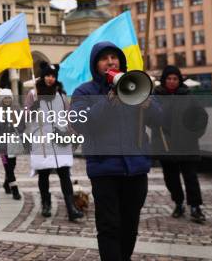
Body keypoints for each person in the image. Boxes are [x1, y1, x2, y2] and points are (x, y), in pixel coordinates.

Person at [71, 41, 162, 261]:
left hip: (136, 169)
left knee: (130, 224)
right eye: (104, 58)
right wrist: (107, 102)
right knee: (109, 225)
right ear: (96, 65)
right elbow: (82, 123)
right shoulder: (84, 91)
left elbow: (160, 120)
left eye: (114, 57)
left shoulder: (136, 85)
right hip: (105, 169)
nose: (110, 61)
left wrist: (149, 104)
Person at [24, 62, 83, 221]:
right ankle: (46, 203)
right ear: (42, 76)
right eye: (47, 75)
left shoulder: (61, 96)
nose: (50, 78)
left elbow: (68, 117)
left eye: (53, 76)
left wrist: (73, 134)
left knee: (65, 175)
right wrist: (32, 110)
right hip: (41, 141)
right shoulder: (33, 94)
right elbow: (25, 117)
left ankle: (71, 207)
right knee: (43, 175)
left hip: (60, 140)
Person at [152, 65, 208, 223]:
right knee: (171, 179)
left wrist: (195, 133)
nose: (172, 81)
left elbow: (201, 116)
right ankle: (178, 203)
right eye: (169, 78)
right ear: (164, 80)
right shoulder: (155, 96)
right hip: (165, 145)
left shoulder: (188, 96)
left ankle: (196, 207)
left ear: (179, 80)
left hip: (186, 145)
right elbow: (149, 119)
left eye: (175, 78)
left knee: (191, 178)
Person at [0, 88, 22, 200]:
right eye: (5, 98)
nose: (7, 100)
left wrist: (15, 125)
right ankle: (15, 189)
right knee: (8, 167)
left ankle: (7, 183)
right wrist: (1, 122)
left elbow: (21, 126)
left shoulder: (15, 111)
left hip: (13, 142)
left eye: (8, 98)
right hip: (2, 145)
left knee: (13, 165)